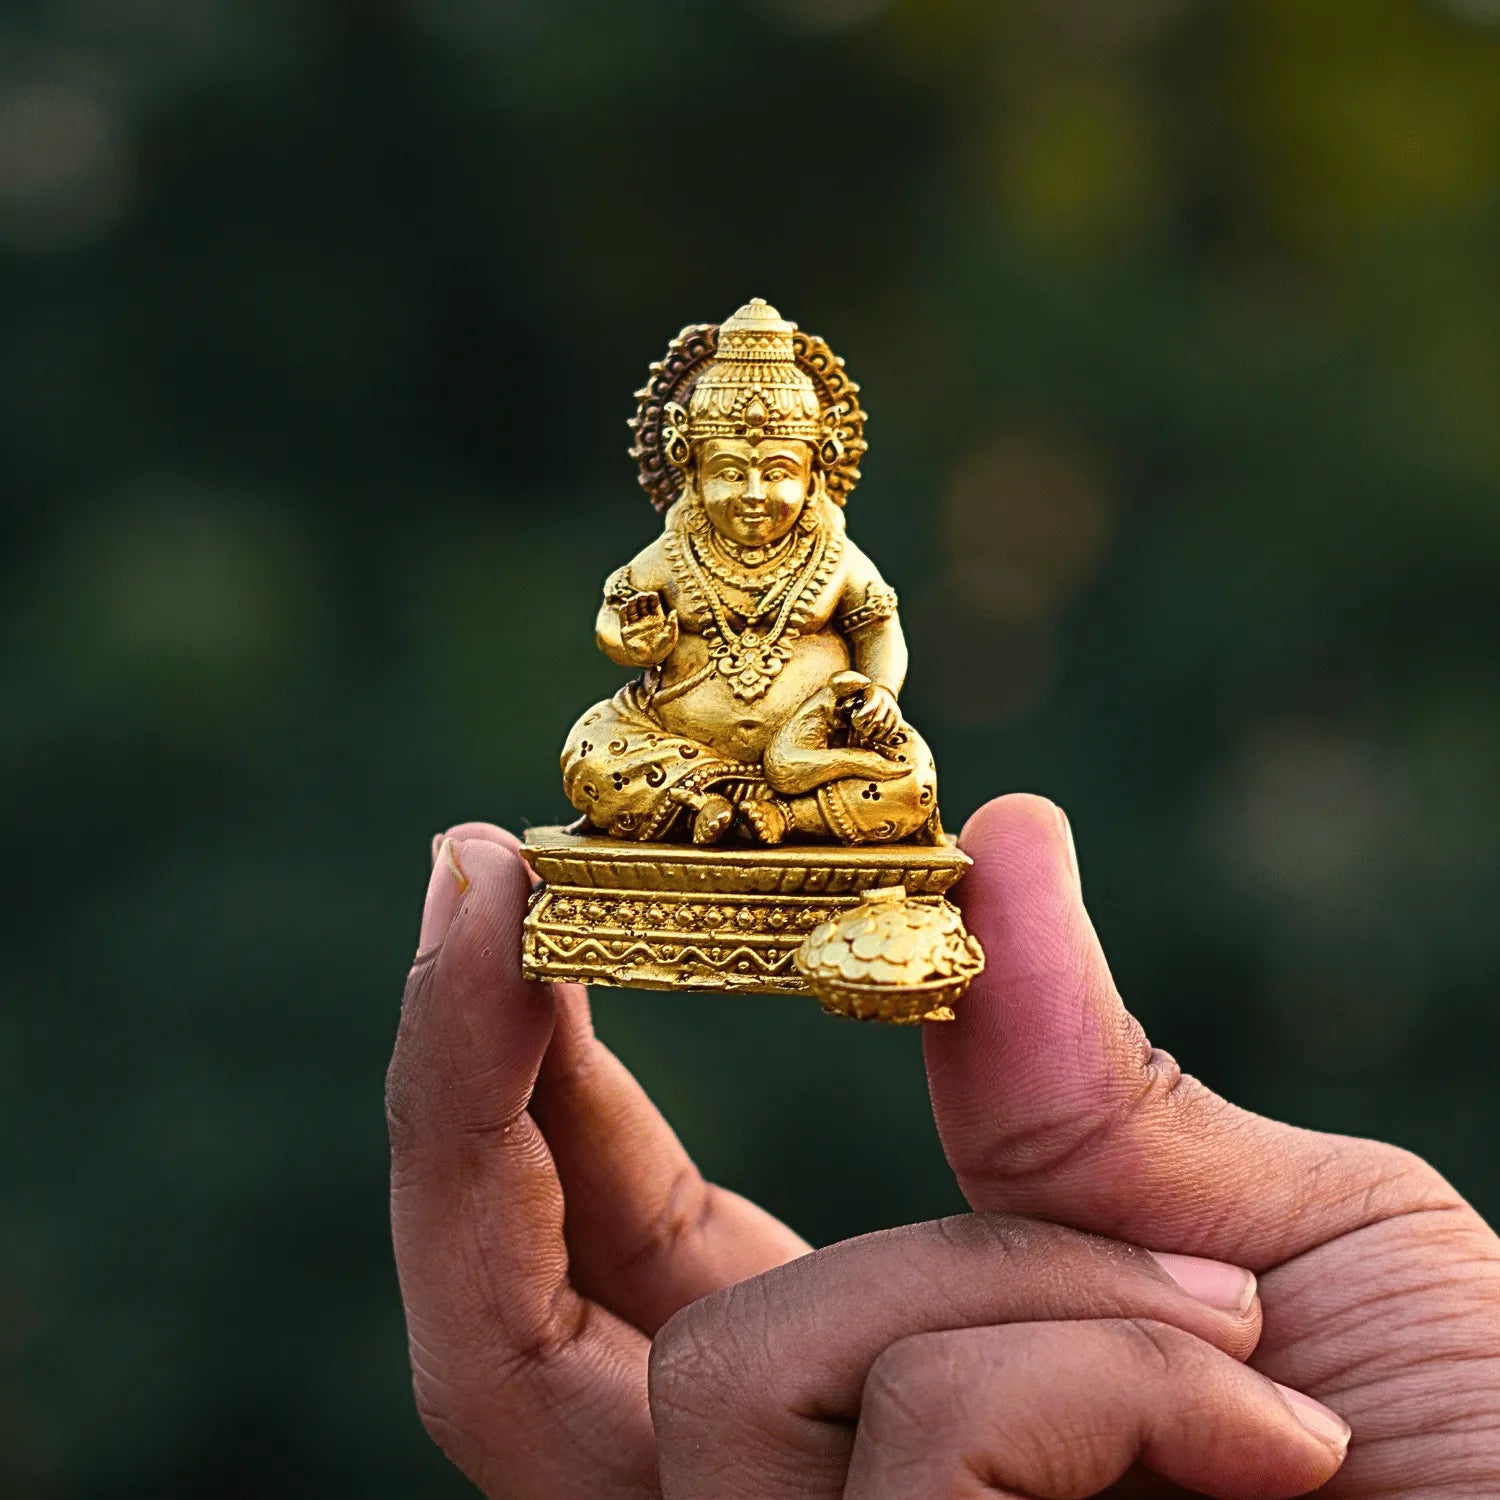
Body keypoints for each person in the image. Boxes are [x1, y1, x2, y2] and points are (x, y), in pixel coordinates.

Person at [387, 796, 1500, 1498]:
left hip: (819, 769)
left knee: (885, 777)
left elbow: (870, 683)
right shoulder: (685, 558)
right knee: (617, 759)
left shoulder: (834, 576)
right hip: (689, 766)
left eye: (778, 462)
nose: (751, 490)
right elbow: (633, 661)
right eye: (724, 462)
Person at [561, 299, 938, 848]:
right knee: (591, 747)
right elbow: (612, 618)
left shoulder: (836, 554)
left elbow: (880, 630)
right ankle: (701, 806)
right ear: (690, 467)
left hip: (818, 755)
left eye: (779, 472)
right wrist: (634, 642)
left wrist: (880, 690)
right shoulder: (673, 552)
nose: (755, 495)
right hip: (679, 750)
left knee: (913, 776)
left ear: (814, 472)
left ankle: (789, 819)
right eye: (730, 473)